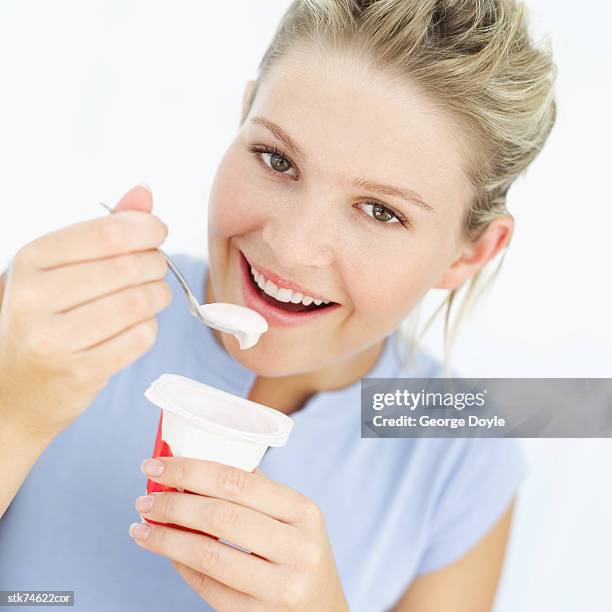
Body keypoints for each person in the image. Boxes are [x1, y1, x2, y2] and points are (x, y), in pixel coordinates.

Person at [0, 0, 556, 610]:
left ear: (470, 255)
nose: (290, 248)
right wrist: (14, 412)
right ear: (242, 116)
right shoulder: (51, 325)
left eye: (380, 211)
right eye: (277, 159)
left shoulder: (462, 460)